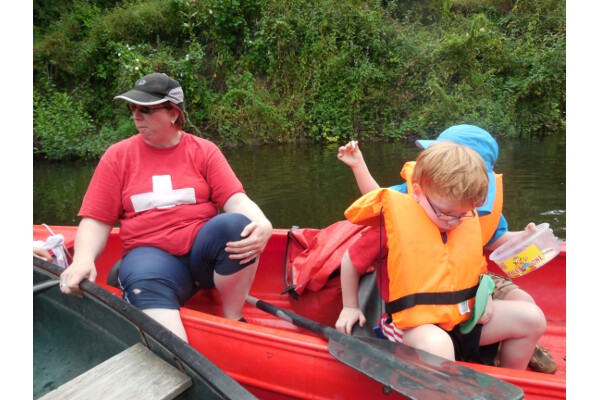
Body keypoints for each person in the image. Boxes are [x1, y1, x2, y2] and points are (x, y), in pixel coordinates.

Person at [59, 72, 273, 342]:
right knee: (144, 277)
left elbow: (236, 199)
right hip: (151, 259)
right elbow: (96, 220)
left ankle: (233, 316)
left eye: (146, 109)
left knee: (237, 226)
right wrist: (83, 258)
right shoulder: (117, 157)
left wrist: (263, 223)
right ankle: (175, 351)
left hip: (202, 259)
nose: (136, 116)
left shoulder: (204, 151)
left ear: (173, 113)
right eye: (132, 108)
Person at [335, 124, 556, 373]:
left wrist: (485, 296)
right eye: (446, 213)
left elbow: (477, 268)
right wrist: (350, 307)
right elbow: (350, 261)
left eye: (463, 214)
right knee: (438, 344)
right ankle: (444, 384)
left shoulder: (466, 216)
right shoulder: (393, 225)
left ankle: (508, 380)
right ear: (417, 193)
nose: (454, 221)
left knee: (531, 318)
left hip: (463, 318)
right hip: (414, 328)